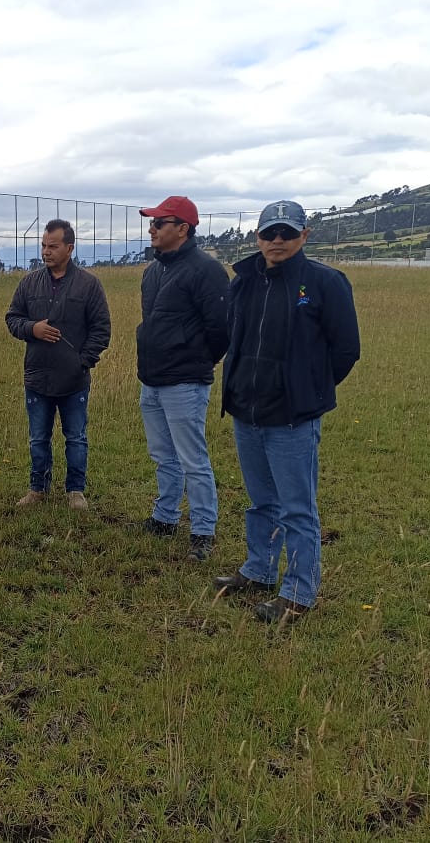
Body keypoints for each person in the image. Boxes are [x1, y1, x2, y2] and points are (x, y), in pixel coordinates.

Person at [214, 200, 360, 624]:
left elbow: (346, 349)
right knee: (261, 501)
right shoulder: (243, 282)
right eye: (269, 233)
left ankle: (299, 593)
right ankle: (259, 570)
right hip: (246, 410)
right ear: (257, 237)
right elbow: (234, 337)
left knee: (297, 508)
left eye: (288, 232)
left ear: (304, 235)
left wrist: (309, 389)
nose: (278, 240)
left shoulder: (325, 282)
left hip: (293, 417)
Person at [136, 196, 229, 561]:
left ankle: (203, 530)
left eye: (159, 223)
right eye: (152, 222)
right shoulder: (152, 272)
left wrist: (198, 361)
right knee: (163, 455)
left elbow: (221, 328)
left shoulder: (206, 270)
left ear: (183, 228)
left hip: (185, 382)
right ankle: (165, 517)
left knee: (193, 459)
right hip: (152, 379)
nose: (152, 229)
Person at [6, 219, 111, 510]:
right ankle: (37, 489)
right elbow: (12, 319)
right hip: (37, 377)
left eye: (52, 246)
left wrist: (82, 362)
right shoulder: (29, 283)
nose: (46, 251)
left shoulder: (89, 285)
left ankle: (75, 491)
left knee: (76, 438)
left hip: (74, 380)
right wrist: (32, 329)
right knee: (38, 438)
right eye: (43, 245)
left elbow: (101, 329)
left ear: (70, 248)